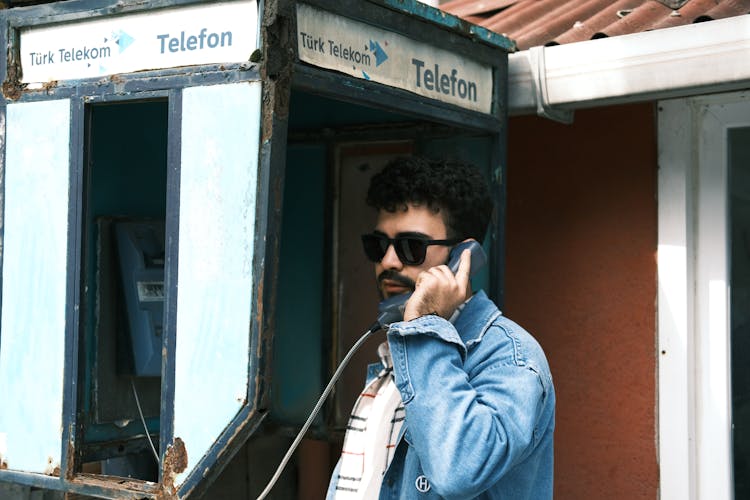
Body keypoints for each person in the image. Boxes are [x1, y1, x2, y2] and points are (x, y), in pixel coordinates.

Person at [327, 156, 555, 499]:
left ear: (463, 258)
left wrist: (424, 327)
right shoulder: (399, 354)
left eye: (411, 247)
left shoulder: (510, 358)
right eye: (379, 245)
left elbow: (459, 470)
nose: (388, 261)